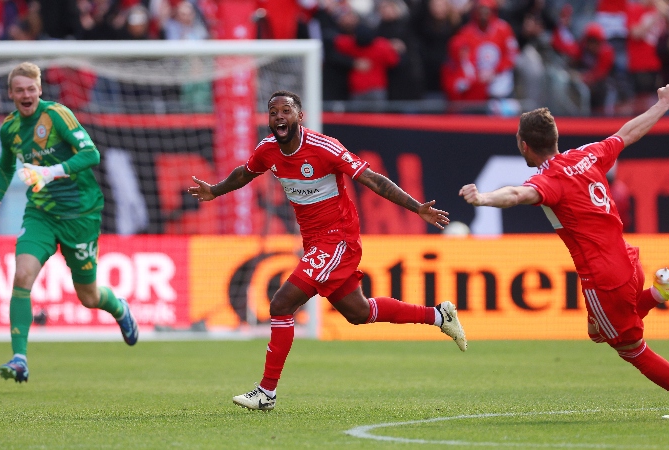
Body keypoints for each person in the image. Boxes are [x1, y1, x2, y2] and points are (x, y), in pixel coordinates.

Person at [188, 90, 466, 411]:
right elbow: (245, 172)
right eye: (273, 111)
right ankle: (439, 315)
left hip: (338, 238)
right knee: (358, 313)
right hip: (314, 241)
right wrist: (215, 190)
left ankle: (266, 392)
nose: (279, 116)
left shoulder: (324, 147)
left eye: (286, 111)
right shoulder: (267, 150)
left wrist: (418, 207)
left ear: (299, 116)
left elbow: (373, 180)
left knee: (280, 305)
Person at [459, 84, 669, 420]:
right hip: (626, 259)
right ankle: (659, 291)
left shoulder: (548, 181)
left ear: (525, 145)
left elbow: (515, 195)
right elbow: (628, 133)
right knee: (597, 332)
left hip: (602, 276)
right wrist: (662, 105)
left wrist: (483, 199)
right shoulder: (587, 154)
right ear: (556, 138)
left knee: (630, 348)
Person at [0, 62, 139, 383]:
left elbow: (91, 154)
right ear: (11, 94)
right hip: (41, 214)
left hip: (80, 215)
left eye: (30, 89)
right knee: (22, 274)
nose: (25, 94)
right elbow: (5, 169)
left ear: (40, 90)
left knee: (88, 297)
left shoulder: (57, 115)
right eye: (19, 90)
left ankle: (119, 308)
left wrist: (48, 171)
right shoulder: (9, 129)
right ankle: (20, 358)